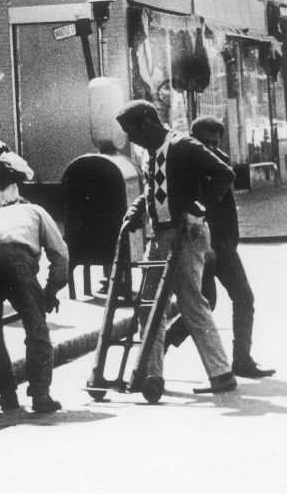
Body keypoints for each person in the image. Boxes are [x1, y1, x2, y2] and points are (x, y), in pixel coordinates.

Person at [116, 100, 237, 402]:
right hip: (160, 235)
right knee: (147, 304)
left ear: (147, 123)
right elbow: (152, 190)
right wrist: (135, 210)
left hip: (187, 235)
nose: (130, 138)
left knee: (190, 301)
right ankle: (151, 374)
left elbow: (224, 173)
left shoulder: (183, 145)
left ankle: (221, 373)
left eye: (131, 131)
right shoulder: (150, 153)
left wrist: (198, 209)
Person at [164, 116, 274, 378]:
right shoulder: (188, 165)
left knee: (243, 298)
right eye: (206, 142)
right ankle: (165, 341)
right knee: (207, 303)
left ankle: (242, 360)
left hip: (222, 244)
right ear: (194, 138)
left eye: (215, 142)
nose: (211, 147)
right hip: (202, 243)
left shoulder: (220, 161)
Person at [0, 152, 67, 413]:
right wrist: (51, 290)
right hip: (15, 261)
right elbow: (60, 254)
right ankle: (40, 394)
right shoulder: (35, 211)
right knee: (36, 329)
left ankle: (7, 395)